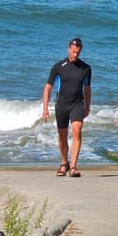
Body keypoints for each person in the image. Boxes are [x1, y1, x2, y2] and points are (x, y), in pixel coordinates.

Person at [42, 36, 92, 177]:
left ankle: (74, 167)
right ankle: (64, 163)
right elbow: (47, 88)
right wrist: (45, 108)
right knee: (62, 134)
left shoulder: (86, 68)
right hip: (61, 105)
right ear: (69, 49)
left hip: (77, 104)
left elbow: (87, 89)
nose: (75, 55)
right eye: (73, 52)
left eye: (78, 52)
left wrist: (87, 107)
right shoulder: (58, 67)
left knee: (77, 130)